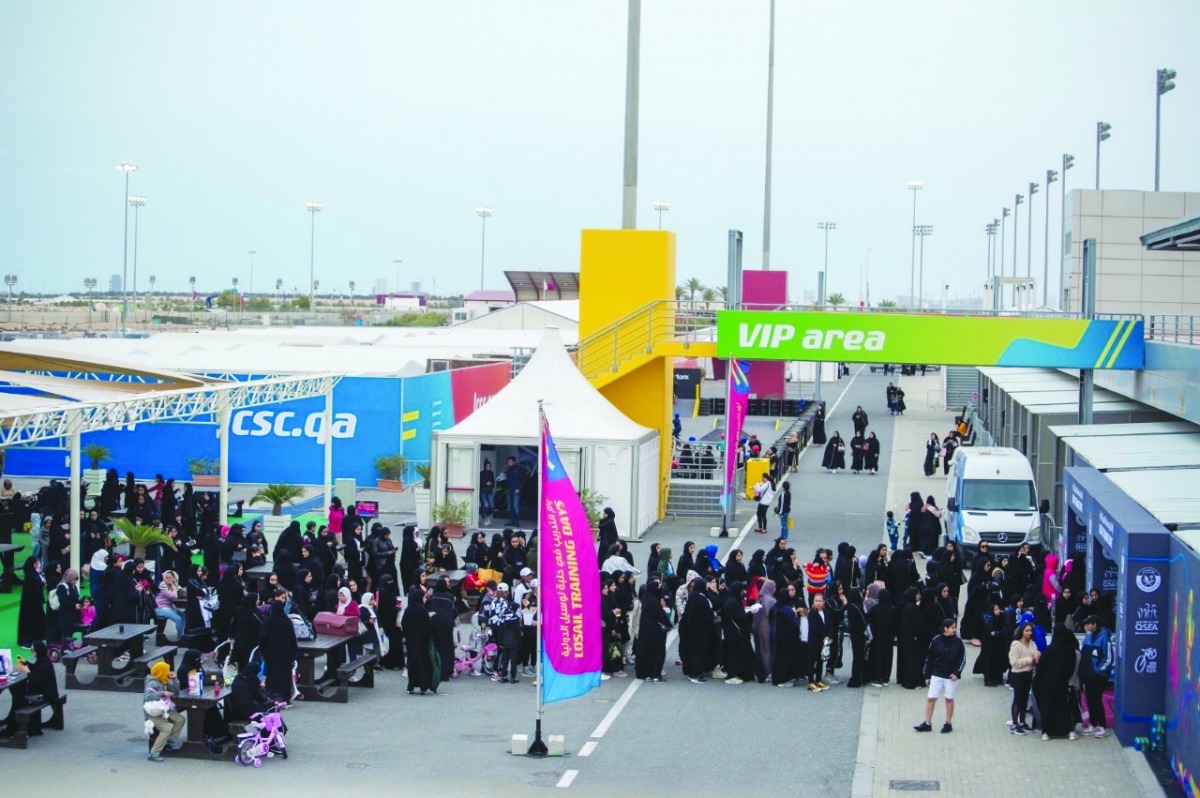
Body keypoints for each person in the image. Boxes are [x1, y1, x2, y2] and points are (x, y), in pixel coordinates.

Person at [914, 619, 966, 733]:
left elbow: (962, 659)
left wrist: (957, 673)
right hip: (937, 673)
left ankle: (948, 723)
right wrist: (927, 676)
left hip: (951, 676)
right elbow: (930, 658)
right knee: (931, 698)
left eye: (955, 627)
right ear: (945, 629)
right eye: (952, 627)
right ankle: (927, 723)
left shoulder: (959, 642)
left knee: (949, 699)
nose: (954, 630)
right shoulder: (936, 640)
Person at [1032, 625, 1081, 741]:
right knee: (1063, 706)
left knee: (1047, 705)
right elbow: (1071, 667)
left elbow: (1041, 666)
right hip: (1062, 683)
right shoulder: (1070, 650)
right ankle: (1069, 731)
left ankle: (1046, 732)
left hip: (1047, 683)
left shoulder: (1050, 649)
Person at [259, 588, 298, 704]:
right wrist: (293, 653)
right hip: (285, 654)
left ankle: (271, 697)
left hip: (271, 654)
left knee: (272, 676)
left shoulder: (268, 621)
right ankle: (285, 698)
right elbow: (292, 638)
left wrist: (263, 651)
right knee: (284, 676)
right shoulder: (286, 621)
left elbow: (263, 637)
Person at [143, 661, 185, 762]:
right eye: (166, 670)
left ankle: (170, 741)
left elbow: (176, 691)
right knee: (166, 729)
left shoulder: (163, 679)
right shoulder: (152, 682)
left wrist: (174, 679)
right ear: (161, 671)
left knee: (180, 720)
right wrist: (162, 693)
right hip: (154, 712)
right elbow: (148, 697)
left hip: (164, 709)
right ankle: (154, 753)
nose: (168, 672)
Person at [1078, 615, 1113, 738]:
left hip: (1098, 676)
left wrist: (1099, 670)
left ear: (1094, 625)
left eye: (1088, 624)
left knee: (1097, 700)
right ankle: (1092, 724)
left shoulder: (1105, 638)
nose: (1086, 626)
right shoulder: (1088, 637)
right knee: (1089, 700)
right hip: (1087, 675)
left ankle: (1102, 726)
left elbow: (1109, 658)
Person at [403, 587, 437, 694]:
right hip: (422, 642)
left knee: (412, 663)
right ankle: (424, 685)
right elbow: (428, 627)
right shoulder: (422, 610)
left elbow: (404, 624)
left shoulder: (408, 610)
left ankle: (411, 686)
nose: (425, 599)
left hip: (411, 642)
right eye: (424, 597)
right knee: (423, 662)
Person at [1008, 622, 1040, 735]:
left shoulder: (1032, 643)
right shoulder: (1016, 645)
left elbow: (1035, 652)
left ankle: (1022, 722)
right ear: (1022, 631)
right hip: (1018, 675)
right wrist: (1029, 660)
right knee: (1018, 698)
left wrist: (1037, 654)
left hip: (1028, 674)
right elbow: (1014, 662)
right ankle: (1014, 724)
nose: (1029, 633)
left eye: (1030, 631)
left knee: (1025, 698)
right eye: (1026, 630)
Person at [806, 593, 833, 692]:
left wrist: (829, 636)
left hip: (824, 642)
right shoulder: (812, 613)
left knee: (820, 661)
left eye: (820, 601)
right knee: (812, 661)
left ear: (823, 602)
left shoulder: (826, 611)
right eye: (816, 601)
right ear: (813, 602)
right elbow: (815, 627)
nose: (818, 603)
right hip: (814, 641)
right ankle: (811, 681)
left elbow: (830, 624)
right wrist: (824, 636)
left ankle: (818, 679)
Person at [17, 556, 46, 648]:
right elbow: (35, 587)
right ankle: (27, 641)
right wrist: (42, 583)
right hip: (31, 604)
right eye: (36, 563)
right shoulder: (31, 575)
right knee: (31, 622)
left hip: (34, 602)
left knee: (37, 621)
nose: (38, 565)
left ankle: (35, 638)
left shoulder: (33, 573)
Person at [504, 456, 523, 526]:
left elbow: (523, 480)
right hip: (510, 490)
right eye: (508, 462)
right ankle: (512, 521)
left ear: (514, 462)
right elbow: (507, 479)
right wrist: (507, 488)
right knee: (510, 506)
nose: (509, 463)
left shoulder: (518, 469)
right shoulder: (509, 469)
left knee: (516, 506)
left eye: (510, 462)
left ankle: (517, 522)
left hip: (516, 490)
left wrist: (519, 488)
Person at [479, 460, 495, 526]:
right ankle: (483, 519)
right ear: (485, 467)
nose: (488, 467)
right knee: (483, 506)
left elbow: (493, 481)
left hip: (489, 491)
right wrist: (486, 483)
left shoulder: (491, 473)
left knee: (491, 506)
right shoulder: (482, 473)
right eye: (487, 466)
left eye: (489, 466)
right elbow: (479, 482)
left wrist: (491, 486)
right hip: (483, 491)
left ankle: (487, 517)